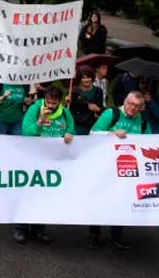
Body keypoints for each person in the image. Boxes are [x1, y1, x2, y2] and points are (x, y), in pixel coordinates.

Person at [86, 90, 151, 250]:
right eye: (131, 104)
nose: (133, 108)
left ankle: (117, 233)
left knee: (124, 201)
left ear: (142, 108)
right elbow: (92, 134)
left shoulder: (143, 120)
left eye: (137, 106)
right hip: (105, 167)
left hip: (128, 169)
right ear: (125, 101)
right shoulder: (111, 113)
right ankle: (94, 234)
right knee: (100, 199)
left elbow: (148, 142)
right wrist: (111, 133)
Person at [16, 85, 74, 245]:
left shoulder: (65, 113)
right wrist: (40, 120)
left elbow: (71, 130)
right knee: (28, 193)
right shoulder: (35, 109)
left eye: (54, 103)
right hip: (33, 159)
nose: (50, 106)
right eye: (48, 102)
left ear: (59, 102)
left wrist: (70, 134)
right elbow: (26, 132)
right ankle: (21, 228)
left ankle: (39, 229)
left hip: (53, 161)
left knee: (44, 196)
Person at [69, 65, 104, 135]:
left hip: (93, 127)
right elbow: (68, 111)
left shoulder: (98, 91)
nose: (86, 80)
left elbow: (102, 109)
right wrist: (68, 101)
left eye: (88, 77)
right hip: (77, 127)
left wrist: (98, 109)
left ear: (92, 78)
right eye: (83, 78)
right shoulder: (73, 91)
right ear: (79, 79)